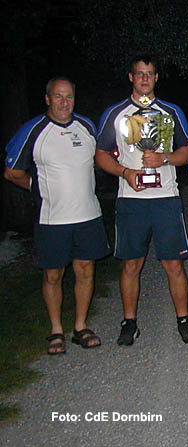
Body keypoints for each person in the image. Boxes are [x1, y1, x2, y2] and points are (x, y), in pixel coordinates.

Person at [95, 56, 188, 345]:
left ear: (156, 78)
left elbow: (187, 150)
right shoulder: (116, 113)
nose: (144, 79)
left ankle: (184, 320)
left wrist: (164, 157)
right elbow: (101, 153)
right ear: (131, 77)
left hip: (165, 197)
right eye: (139, 74)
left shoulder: (171, 111)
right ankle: (129, 323)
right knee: (131, 264)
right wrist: (125, 172)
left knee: (174, 264)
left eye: (149, 74)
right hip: (132, 199)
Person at [4, 77, 111, 354]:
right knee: (53, 274)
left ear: (75, 99)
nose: (64, 102)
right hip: (52, 219)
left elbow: (102, 159)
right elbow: (12, 172)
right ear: (48, 98)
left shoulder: (87, 127)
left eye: (69, 97)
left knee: (85, 271)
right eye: (58, 97)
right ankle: (55, 331)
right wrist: (37, 188)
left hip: (88, 215)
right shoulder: (34, 131)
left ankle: (80, 326)